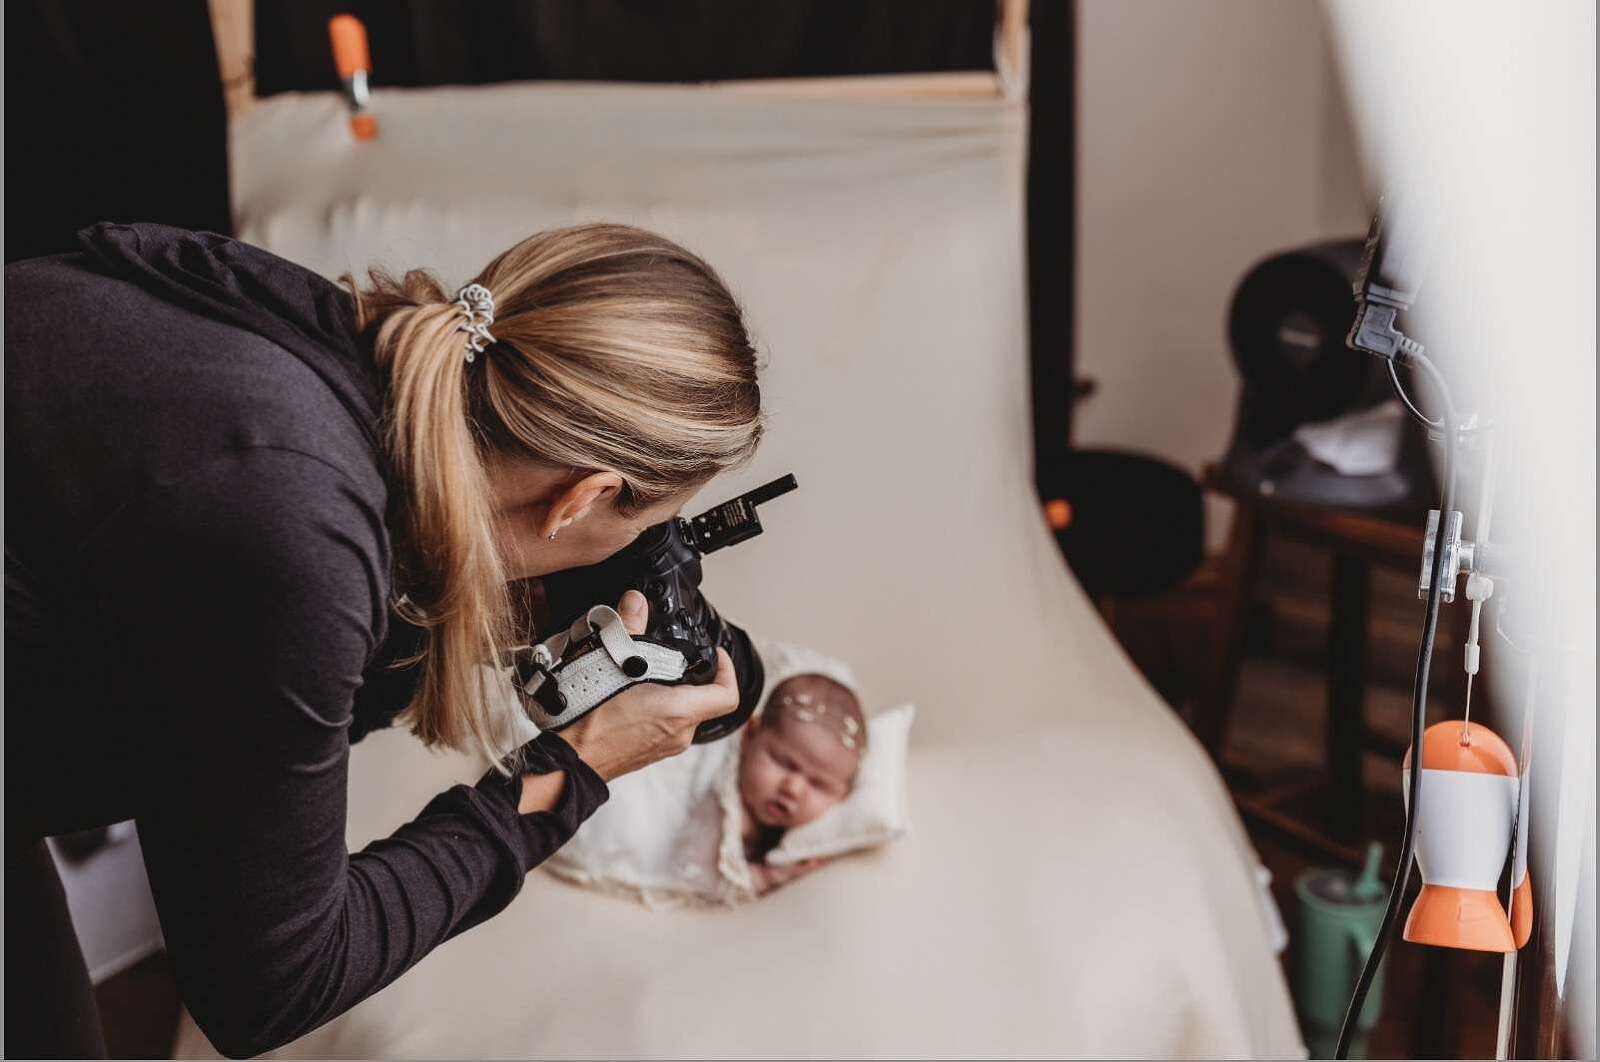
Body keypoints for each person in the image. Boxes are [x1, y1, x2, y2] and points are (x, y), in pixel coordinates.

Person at [4, 221, 763, 1058]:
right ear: (581, 499)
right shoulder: (297, 526)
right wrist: (570, 774)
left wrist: (471, 616)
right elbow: (270, 984)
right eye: (645, 527)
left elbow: (232, 695)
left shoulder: (305, 341)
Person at [544, 650, 869, 907]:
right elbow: (699, 865)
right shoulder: (727, 787)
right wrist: (761, 877)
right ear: (751, 734)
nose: (793, 787)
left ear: (844, 793)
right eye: (783, 762)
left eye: (819, 785)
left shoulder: (810, 832)